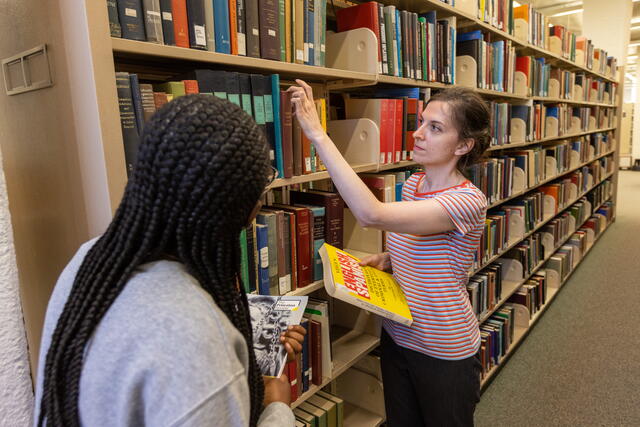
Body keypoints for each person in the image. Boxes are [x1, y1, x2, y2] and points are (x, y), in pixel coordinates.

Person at [33, 95, 305, 427]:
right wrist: (276, 409)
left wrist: (240, 377)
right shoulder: (200, 344)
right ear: (244, 211)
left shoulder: (88, 264)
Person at [288, 81, 490, 426]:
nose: (418, 134)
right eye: (422, 122)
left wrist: (318, 135)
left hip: (443, 345)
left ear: (464, 145)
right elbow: (427, 245)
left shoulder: (468, 201)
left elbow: (372, 216)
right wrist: (391, 260)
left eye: (436, 128)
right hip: (398, 333)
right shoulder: (414, 184)